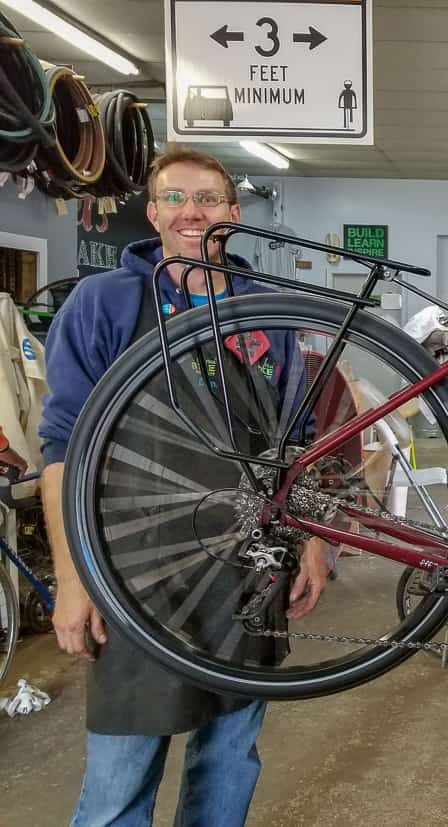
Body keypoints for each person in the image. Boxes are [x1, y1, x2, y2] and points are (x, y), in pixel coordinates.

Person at [39, 148, 330, 826]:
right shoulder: (104, 303)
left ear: (233, 211)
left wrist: (312, 538)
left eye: (207, 198)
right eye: (174, 198)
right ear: (153, 213)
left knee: (229, 761)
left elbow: (298, 437)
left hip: (248, 571)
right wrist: (73, 577)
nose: (191, 211)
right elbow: (63, 449)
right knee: (119, 778)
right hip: (138, 574)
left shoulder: (270, 310)